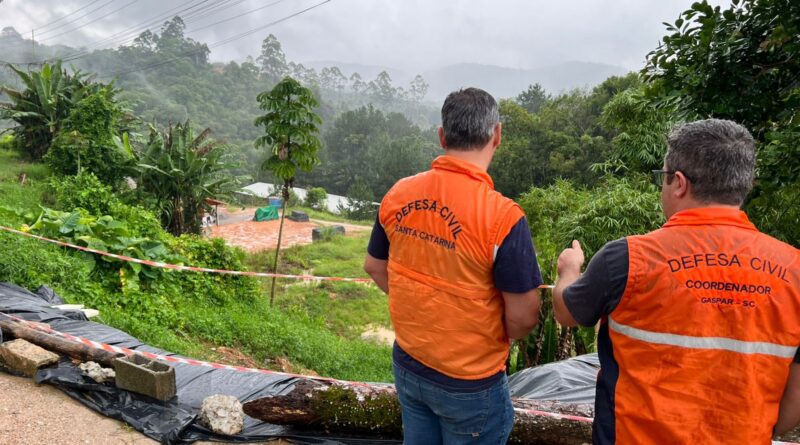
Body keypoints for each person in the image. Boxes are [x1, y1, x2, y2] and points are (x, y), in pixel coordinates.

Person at [552, 118, 800, 444]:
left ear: (679, 183)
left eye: (663, 178)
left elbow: (566, 311)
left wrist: (568, 270)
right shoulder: (793, 270)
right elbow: (794, 397)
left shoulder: (627, 259)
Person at [364, 87, 542, 444]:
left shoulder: (399, 194)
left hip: (410, 364)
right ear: (497, 135)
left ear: (442, 136)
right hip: (470, 383)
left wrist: (420, 303)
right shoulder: (503, 218)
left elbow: (374, 266)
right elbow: (523, 320)